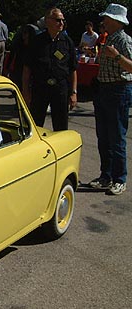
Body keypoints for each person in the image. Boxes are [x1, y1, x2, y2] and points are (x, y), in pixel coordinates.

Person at [89, 3, 132, 195]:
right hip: (104, 90)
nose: (103, 21)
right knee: (103, 137)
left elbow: (131, 67)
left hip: (118, 91)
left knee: (116, 138)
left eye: (106, 18)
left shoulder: (124, 40)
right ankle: (106, 176)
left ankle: (119, 179)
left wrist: (116, 57)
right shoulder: (108, 38)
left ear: (116, 21)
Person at [22, 8, 77, 131]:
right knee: (35, 125)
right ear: (48, 21)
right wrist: (26, 91)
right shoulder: (36, 41)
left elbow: (73, 69)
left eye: (63, 20)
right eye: (58, 20)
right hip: (40, 88)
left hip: (60, 89)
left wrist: (73, 92)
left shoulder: (67, 42)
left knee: (61, 125)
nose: (61, 23)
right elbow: (27, 69)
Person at [7, 24, 37, 89]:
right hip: (18, 68)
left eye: (26, 33)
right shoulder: (19, 45)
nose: (24, 35)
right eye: (23, 33)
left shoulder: (33, 48)